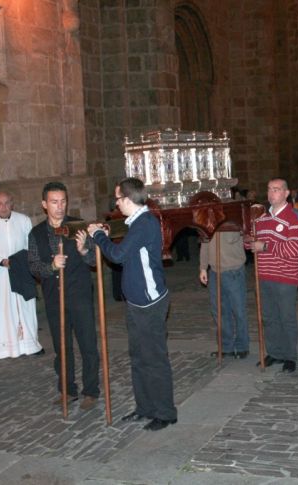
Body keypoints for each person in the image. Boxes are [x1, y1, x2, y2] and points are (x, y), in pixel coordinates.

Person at [88, 177, 177, 431]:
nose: (116, 204)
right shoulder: (137, 223)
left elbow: (117, 255)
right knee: (139, 358)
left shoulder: (144, 223)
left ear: (127, 199)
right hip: (136, 304)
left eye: (118, 199)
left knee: (155, 359)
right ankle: (145, 407)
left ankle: (165, 412)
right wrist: (104, 237)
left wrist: (97, 236)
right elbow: (129, 252)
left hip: (150, 304)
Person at [28, 182, 100, 411]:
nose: (59, 207)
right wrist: (51, 266)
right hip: (54, 297)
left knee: (88, 344)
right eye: (54, 202)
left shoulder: (78, 226)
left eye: (63, 201)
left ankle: (91, 391)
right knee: (62, 347)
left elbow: (93, 262)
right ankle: (67, 390)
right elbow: (34, 267)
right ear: (44, 204)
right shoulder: (36, 233)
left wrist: (84, 251)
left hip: (79, 295)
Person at [245, 177, 298, 372]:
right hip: (264, 275)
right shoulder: (261, 219)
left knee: (286, 317)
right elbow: (251, 245)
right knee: (269, 317)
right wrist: (248, 240)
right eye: (270, 189)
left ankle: (289, 356)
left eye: (277, 189)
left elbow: (294, 249)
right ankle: (275, 352)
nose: (272, 193)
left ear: (286, 193)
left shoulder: (294, 217)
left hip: (285, 277)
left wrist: (265, 246)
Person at [0, 192, 43, 360]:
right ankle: (4, 348)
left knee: (25, 307)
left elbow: (31, 244)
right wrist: (2, 261)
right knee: (2, 310)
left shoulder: (23, 220)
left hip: (21, 270)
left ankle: (30, 345)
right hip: (0, 275)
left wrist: (23, 261)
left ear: (12, 204)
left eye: (7, 203)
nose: (3, 207)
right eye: (0, 203)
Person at [200, 231, 249, 358]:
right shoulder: (208, 217)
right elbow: (204, 243)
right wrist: (203, 267)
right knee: (220, 311)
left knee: (239, 311)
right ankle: (226, 346)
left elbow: (247, 235)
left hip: (234, 270)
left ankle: (242, 346)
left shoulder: (234, 215)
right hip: (215, 271)